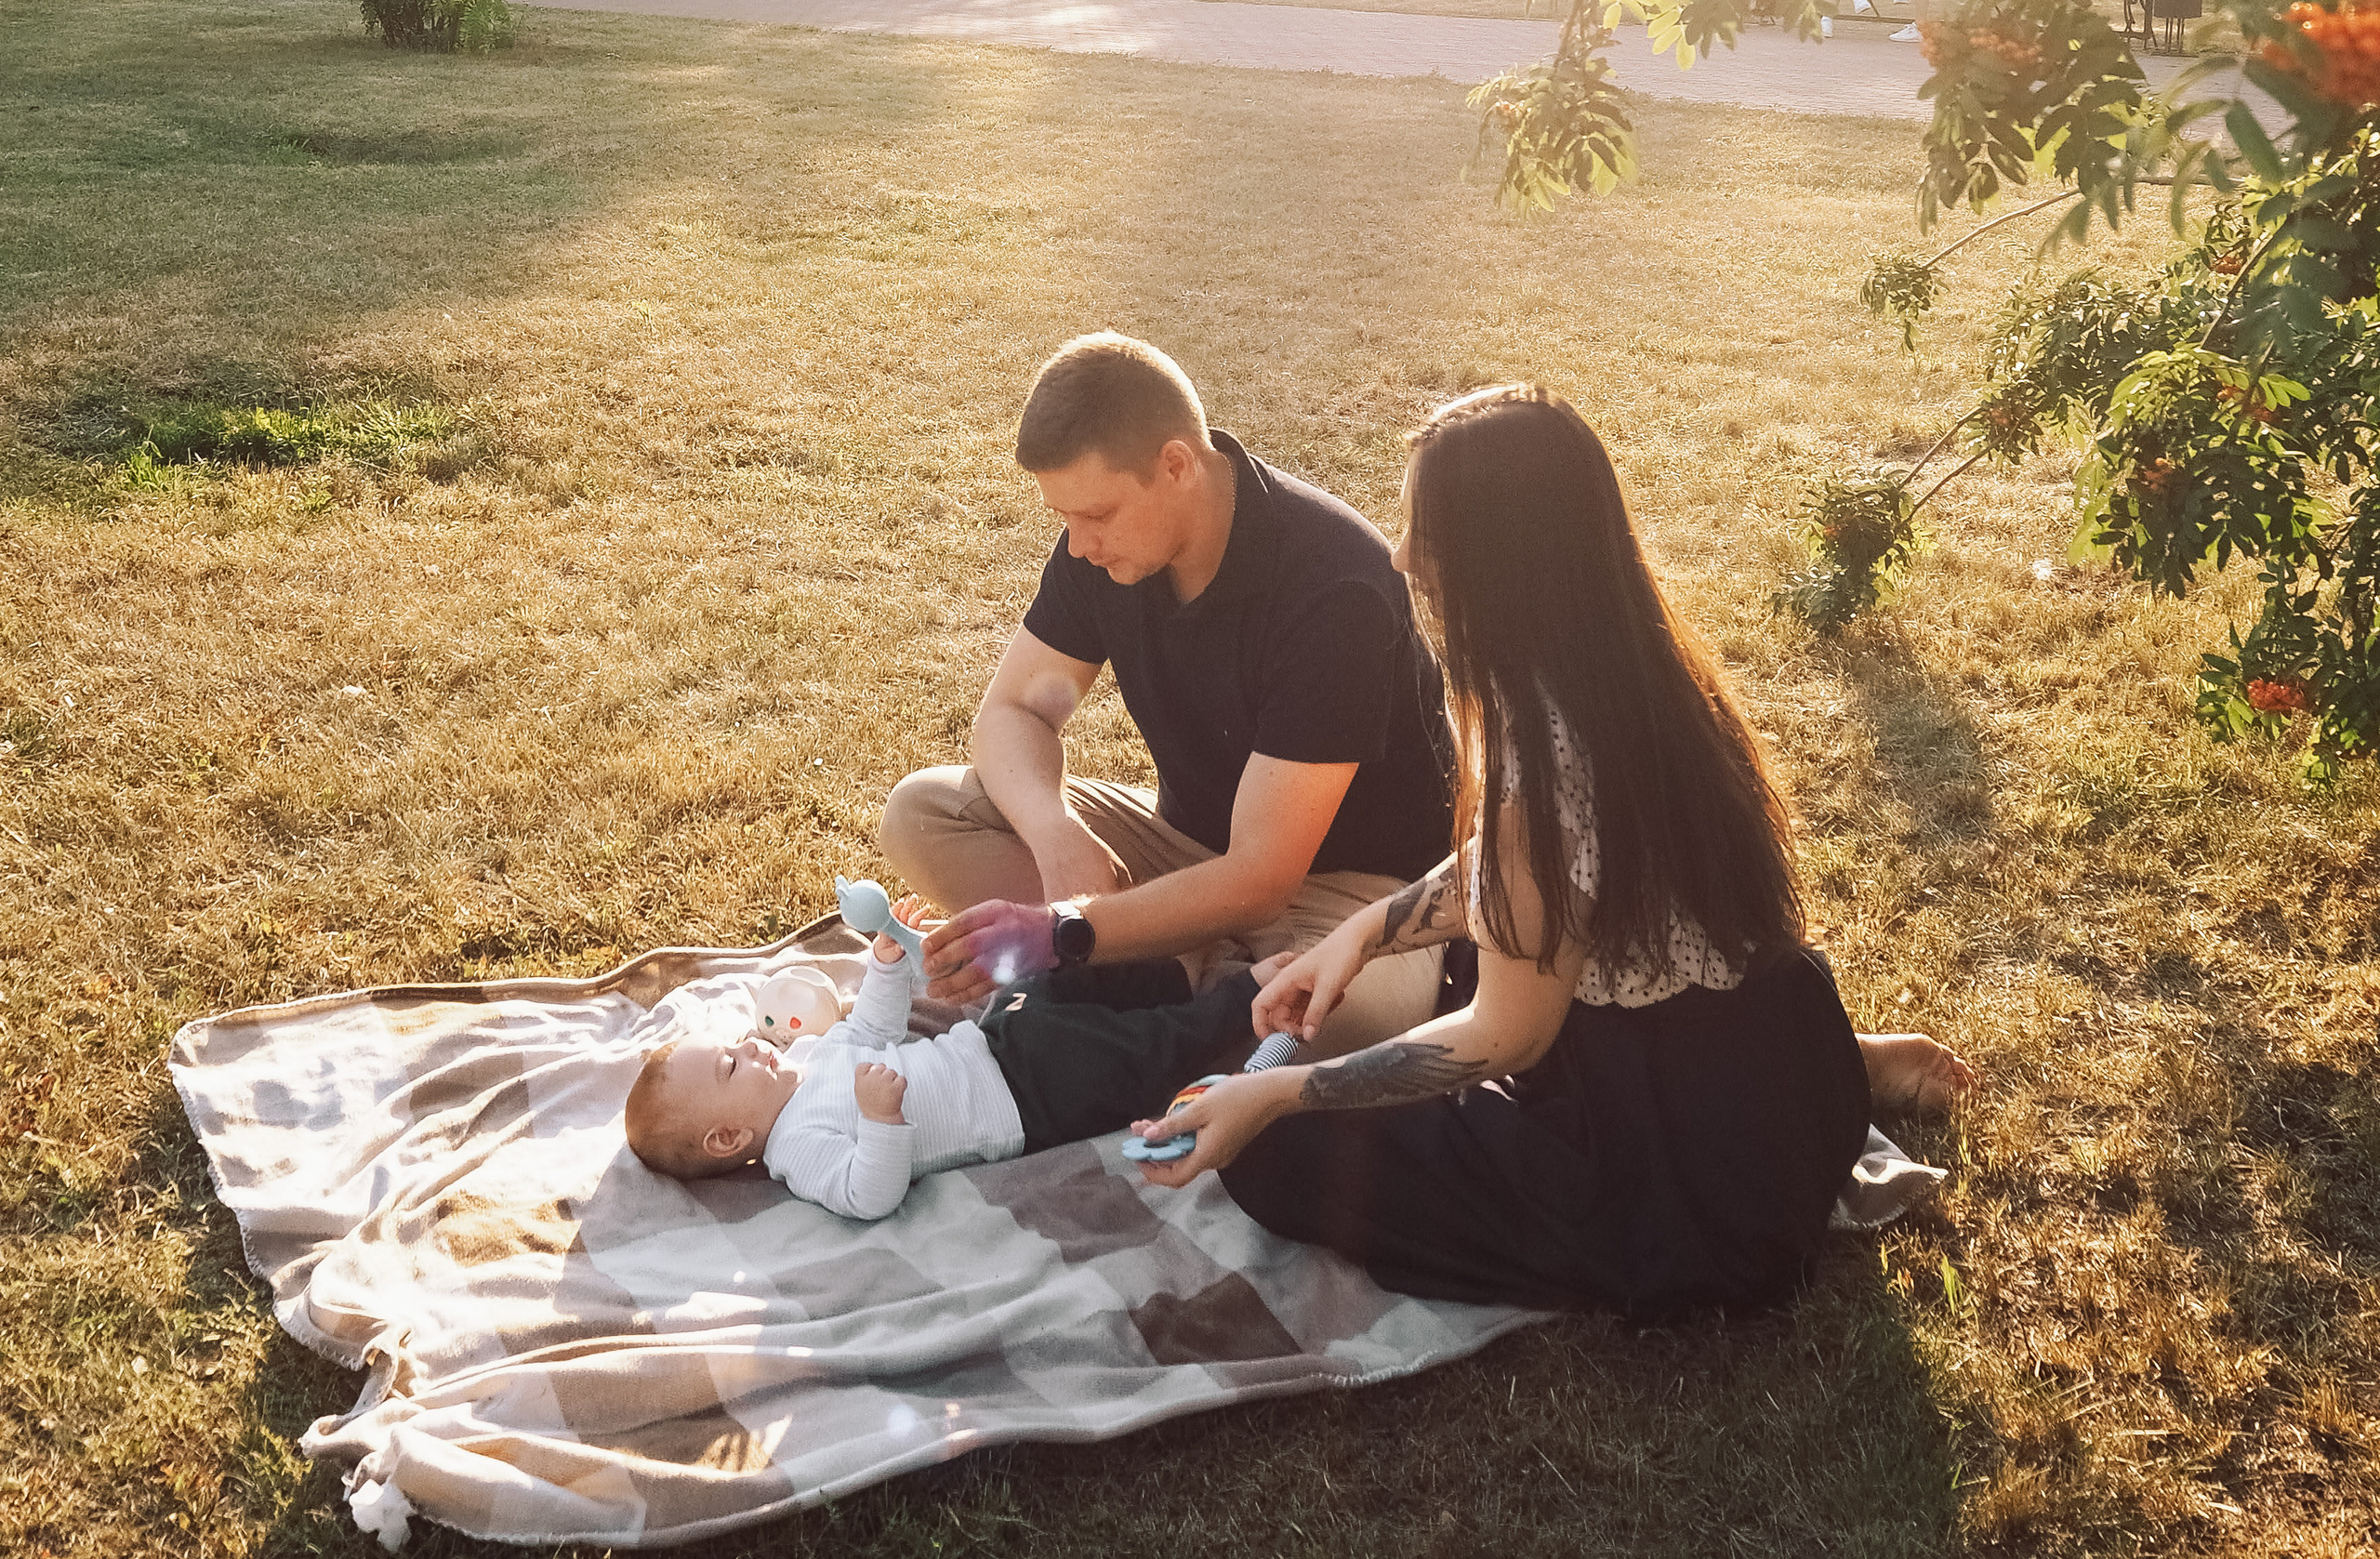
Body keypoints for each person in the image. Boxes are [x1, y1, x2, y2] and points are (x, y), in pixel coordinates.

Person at [1125, 387, 1975, 1315]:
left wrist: (1277, 1097)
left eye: (1426, 533)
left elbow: (1506, 1032)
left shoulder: (1548, 736)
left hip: (1684, 1164)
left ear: (1502, 558)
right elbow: (1520, 867)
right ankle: (1840, 1066)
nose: (1402, 553)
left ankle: (1821, 1086)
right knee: (1433, 989)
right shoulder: (1624, 662)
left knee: (1280, 1157)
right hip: (1762, 1045)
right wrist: (1361, 935)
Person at [887, 335, 1454, 1052]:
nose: (1080, 543)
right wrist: (1056, 833)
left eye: (1096, 514)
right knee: (924, 812)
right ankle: (1189, 980)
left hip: (1350, 895)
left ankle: (1169, 977)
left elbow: (1263, 875)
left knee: (1321, 1025)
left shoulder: (1333, 584)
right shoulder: (1103, 553)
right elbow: (1013, 711)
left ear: (1177, 465)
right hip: (1184, 853)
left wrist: (1069, 930)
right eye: (1065, 517)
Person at [625, 919, 1266, 1217]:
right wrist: (880, 1120)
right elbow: (866, 1195)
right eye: (731, 1067)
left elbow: (872, 1027)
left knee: (1053, 986)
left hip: (993, 1039)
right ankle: (1248, 998)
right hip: (1026, 1099)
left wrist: (883, 964)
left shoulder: (805, 1056)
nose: (748, 1048)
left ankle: (1175, 971)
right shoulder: (798, 1147)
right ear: (728, 1137)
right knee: (1137, 1050)